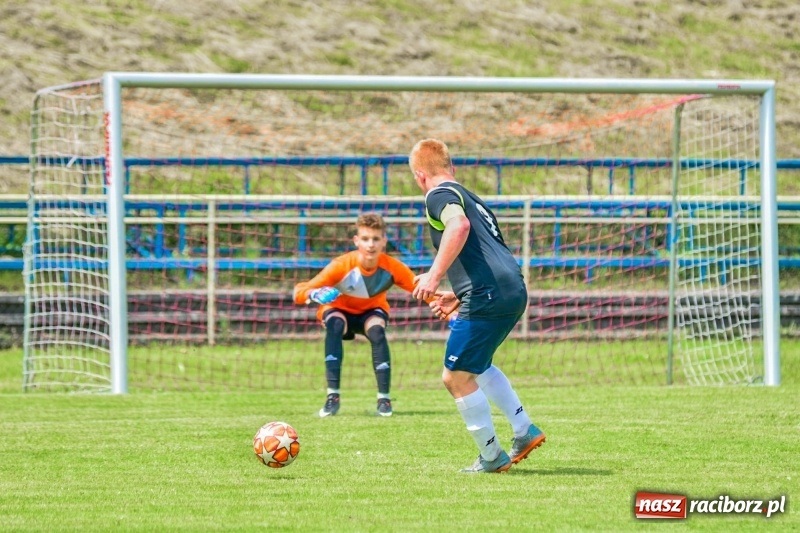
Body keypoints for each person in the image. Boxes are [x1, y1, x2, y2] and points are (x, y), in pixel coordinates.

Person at [409, 138, 546, 473]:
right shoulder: (471, 197)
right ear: (451, 167)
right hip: (510, 289)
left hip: (489, 293)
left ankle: (491, 456)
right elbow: (485, 251)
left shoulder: (437, 195)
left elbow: (459, 226)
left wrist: (434, 276)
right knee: (478, 366)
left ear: (419, 175)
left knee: (455, 377)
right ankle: (524, 430)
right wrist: (459, 294)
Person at [294, 212, 425, 418]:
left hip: (370, 313)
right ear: (356, 241)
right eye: (365, 239)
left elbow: (423, 290)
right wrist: (314, 294)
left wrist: (451, 313)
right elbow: (299, 291)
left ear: (384, 241)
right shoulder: (341, 265)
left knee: (377, 332)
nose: (370, 244)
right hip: (339, 311)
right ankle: (332, 397)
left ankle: (384, 400)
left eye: (375, 239)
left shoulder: (392, 267)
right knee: (335, 324)